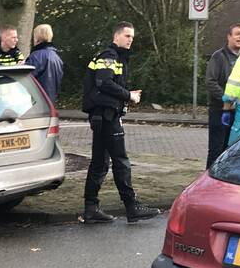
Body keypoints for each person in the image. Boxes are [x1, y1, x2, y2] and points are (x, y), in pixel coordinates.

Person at [80, 22, 161, 224]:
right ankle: (132, 207)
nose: (130, 40)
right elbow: (104, 82)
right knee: (121, 162)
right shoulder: (109, 56)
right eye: (127, 36)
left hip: (103, 116)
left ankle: (91, 208)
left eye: (132, 37)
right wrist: (129, 96)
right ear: (116, 36)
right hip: (107, 117)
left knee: (99, 163)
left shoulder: (115, 57)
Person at [205, 23, 240, 168]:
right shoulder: (218, 57)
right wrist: (227, 99)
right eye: (237, 33)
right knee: (217, 149)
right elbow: (211, 82)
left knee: (233, 150)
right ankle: (209, 182)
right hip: (220, 111)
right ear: (229, 36)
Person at [24, 24, 64, 103]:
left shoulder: (36, 56)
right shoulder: (56, 57)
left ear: (37, 39)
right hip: (51, 100)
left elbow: (27, 77)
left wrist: (22, 67)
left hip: (38, 101)